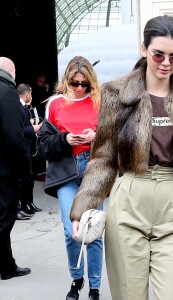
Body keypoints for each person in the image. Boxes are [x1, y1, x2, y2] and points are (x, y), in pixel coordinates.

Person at [70, 15, 173, 300]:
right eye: (158, 53)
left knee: (172, 294)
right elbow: (103, 158)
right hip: (130, 196)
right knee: (129, 295)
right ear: (143, 49)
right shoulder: (117, 93)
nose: (165, 63)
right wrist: (82, 206)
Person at [37, 56, 103, 300]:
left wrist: (95, 137)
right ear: (67, 80)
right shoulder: (55, 104)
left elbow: (115, 140)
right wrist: (64, 140)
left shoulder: (100, 101)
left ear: (90, 83)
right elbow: (42, 145)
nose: (78, 88)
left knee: (93, 231)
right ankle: (77, 279)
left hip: (94, 171)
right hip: (66, 171)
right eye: (74, 83)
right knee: (71, 231)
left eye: (84, 84)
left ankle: (94, 287)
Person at [0, 57, 32, 280]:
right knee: (4, 218)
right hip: (3, 170)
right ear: (11, 71)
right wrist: (26, 166)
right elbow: (14, 135)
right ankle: (7, 267)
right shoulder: (7, 92)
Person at [16, 83, 43, 221]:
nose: (31, 97)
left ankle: (28, 204)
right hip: (23, 149)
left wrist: (30, 123)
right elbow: (19, 130)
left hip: (29, 148)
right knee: (22, 180)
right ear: (27, 94)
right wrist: (34, 128)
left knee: (29, 179)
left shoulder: (24, 108)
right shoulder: (18, 108)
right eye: (31, 94)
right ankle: (20, 206)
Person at [31, 73, 51, 182]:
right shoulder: (34, 92)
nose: (42, 84)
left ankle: (41, 171)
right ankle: (38, 172)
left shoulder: (42, 91)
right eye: (40, 82)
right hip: (35, 120)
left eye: (43, 82)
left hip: (42, 119)